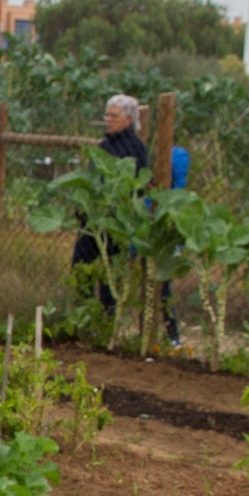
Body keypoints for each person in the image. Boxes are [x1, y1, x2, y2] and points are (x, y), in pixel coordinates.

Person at [68, 93, 180, 345]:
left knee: (109, 278)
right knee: (81, 270)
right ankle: (83, 321)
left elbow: (135, 189)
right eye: (106, 114)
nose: (107, 120)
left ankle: (107, 326)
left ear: (129, 119)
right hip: (93, 223)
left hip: (114, 223)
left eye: (113, 116)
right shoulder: (105, 146)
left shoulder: (134, 149)